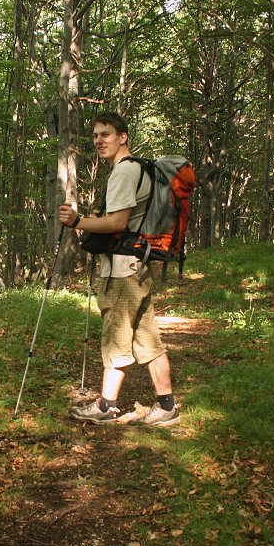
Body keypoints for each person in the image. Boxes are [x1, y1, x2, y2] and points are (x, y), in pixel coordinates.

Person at [58, 112, 179, 428]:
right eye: (96, 135)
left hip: (124, 271)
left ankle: (106, 406)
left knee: (116, 337)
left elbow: (118, 222)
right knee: (148, 339)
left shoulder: (125, 171)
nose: (99, 140)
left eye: (106, 134)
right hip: (137, 266)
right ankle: (167, 406)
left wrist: (78, 221)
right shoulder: (139, 169)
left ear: (123, 137)